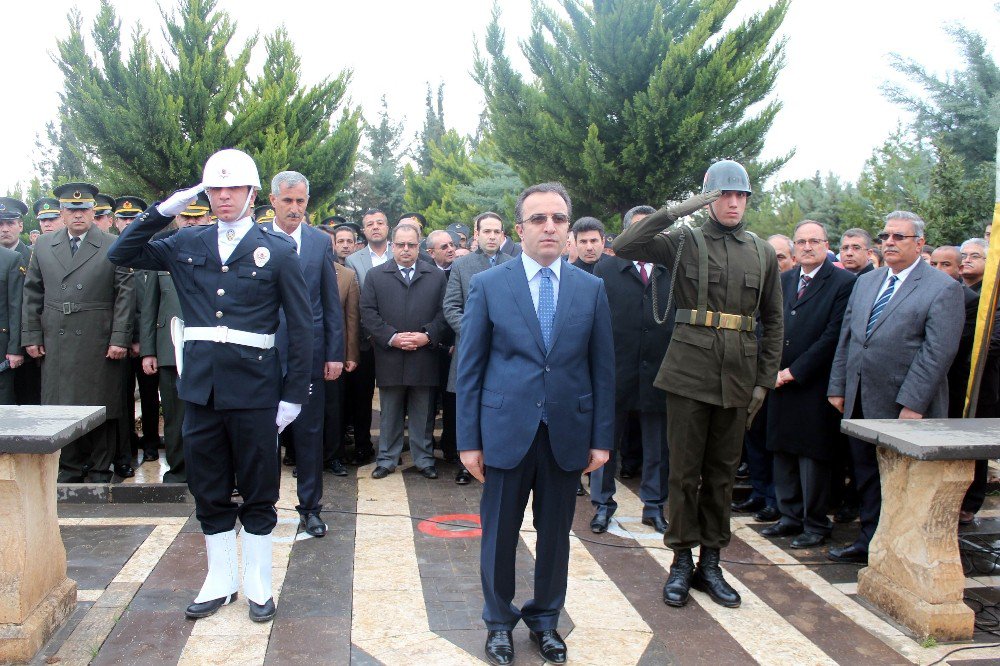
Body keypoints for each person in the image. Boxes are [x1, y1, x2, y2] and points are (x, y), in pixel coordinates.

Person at [108, 148, 312, 623]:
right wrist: (165, 209)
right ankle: (220, 579)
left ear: (251, 194)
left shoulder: (276, 249)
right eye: (215, 189)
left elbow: (302, 330)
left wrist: (291, 395)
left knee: (260, 488)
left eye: (233, 188)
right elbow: (122, 252)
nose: (223, 197)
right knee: (208, 486)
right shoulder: (186, 243)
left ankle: (258, 581)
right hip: (202, 389)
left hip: (257, 390)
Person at [613, 160, 783, 610]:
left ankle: (712, 562)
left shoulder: (762, 252)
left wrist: (764, 380)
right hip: (689, 372)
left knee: (722, 476)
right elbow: (627, 245)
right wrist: (675, 210)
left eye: (740, 195)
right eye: (724, 194)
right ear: (709, 199)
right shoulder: (685, 241)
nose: (733, 202)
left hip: (739, 376)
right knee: (683, 474)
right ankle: (681, 562)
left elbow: (773, 321)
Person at [457, 182, 613, 666]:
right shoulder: (489, 284)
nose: (550, 227)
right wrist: (468, 441)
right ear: (519, 229)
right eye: (539, 219)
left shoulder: (591, 288)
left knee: (555, 537)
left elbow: (603, 368)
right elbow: (471, 367)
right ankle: (498, 622)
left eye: (559, 219)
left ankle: (546, 621)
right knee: (499, 534)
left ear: (569, 229)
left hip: (567, 433)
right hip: (505, 432)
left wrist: (601, 439)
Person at [827, 211, 964, 564]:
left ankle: (899, 552)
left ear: (919, 243)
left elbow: (938, 352)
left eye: (898, 237)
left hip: (904, 405)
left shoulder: (942, 288)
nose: (889, 242)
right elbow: (849, 338)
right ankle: (869, 542)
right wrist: (838, 386)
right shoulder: (867, 282)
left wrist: (913, 403)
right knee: (867, 477)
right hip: (860, 399)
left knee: (903, 481)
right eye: (885, 236)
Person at [22, 182, 136, 483]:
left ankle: (100, 468)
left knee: (101, 406)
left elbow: (125, 293)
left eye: (84, 210)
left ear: (93, 211)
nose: (78, 216)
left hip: (98, 338)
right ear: (61, 212)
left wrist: (120, 338)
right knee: (61, 406)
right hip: (56, 336)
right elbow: (32, 291)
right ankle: (69, 468)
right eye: (71, 210)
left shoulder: (112, 243)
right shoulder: (44, 246)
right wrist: (31, 335)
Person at [763, 220, 855, 549]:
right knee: (782, 450)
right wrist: (770, 368)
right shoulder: (784, 279)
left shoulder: (843, 282)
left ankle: (815, 523)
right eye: (800, 242)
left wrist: (792, 372)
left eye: (814, 241)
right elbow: (770, 324)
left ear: (826, 245)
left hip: (813, 384)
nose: (807, 247)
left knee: (812, 457)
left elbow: (833, 336)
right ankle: (789, 516)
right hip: (778, 380)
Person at [264, 171, 344, 538]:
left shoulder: (317, 242)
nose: (294, 208)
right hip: (262, 353)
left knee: (310, 434)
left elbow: (330, 301)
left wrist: (334, 353)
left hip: (309, 353)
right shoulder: (256, 238)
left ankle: (310, 508)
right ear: (273, 201)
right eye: (288, 201)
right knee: (263, 433)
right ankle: (260, 506)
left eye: (300, 202)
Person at [590, 204, 672, 534]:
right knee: (605, 444)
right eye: (640, 229)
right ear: (626, 234)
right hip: (615, 373)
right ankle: (602, 504)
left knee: (658, 447)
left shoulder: (672, 270)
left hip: (661, 374)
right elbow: (593, 325)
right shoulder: (606, 270)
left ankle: (654, 506)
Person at [362, 223, 449, 479]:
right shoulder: (376, 276)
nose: (406, 250)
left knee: (423, 413)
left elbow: (445, 313)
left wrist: (428, 335)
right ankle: (387, 458)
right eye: (400, 244)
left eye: (411, 245)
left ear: (419, 246)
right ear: (392, 245)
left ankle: (424, 459)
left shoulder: (435, 276)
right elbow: (368, 313)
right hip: (390, 355)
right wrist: (391, 337)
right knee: (389, 412)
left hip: (424, 355)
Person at [138, 196, 213, 483]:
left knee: (211, 416)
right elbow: (150, 307)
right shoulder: (164, 252)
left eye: (198, 217)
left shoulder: (221, 251)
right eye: (186, 217)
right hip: (170, 348)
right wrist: (148, 351)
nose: (192, 221)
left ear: (209, 218)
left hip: (209, 348)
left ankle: (210, 472)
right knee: (174, 414)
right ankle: (179, 468)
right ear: (177, 219)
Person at [443, 211, 513, 485]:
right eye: (487, 231)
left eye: (497, 232)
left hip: (504, 350)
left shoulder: (515, 264)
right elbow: (451, 306)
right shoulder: (462, 266)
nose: (492, 236)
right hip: (470, 349)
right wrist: (474, 333)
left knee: (498, 406)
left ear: (504, 236)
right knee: (468, 406)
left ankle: (496, 460)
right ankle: (466, 464)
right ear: (477, 235)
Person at [344, 208, 391, 465]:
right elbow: (356, 302)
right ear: (364, 230)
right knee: (362, 398)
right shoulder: (354, 260)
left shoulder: (403, 252)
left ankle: (391, 447)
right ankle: (363, 446)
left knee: (393, 396)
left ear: (388, 227)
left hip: (396, 339)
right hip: (366, 340)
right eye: (370, 224)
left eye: (380, 223)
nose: (375, 227)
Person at [323, 249, 361, 477]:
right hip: (306, 352)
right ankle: (307, 456)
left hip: (336, 353)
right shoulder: (297, 268)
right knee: (307, 410)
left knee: (335, 408)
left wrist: (351, 354)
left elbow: (352, 318)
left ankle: (334, 456)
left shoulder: (346, 275)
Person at [425, 229, 458, 465]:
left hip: (455, 348)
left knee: (451, 399)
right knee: (426, 400)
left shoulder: (459, 271)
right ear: (431, 252)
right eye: (444, 247)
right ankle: (424, 446)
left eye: (451, 245)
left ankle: (450, 444)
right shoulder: (426, 273)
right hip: (428, 345)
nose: (450, 250)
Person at [0, 197, 33, 268]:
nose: (5, 229)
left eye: (10, 223)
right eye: (0, 224)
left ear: (20, 226)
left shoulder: (33, 257)